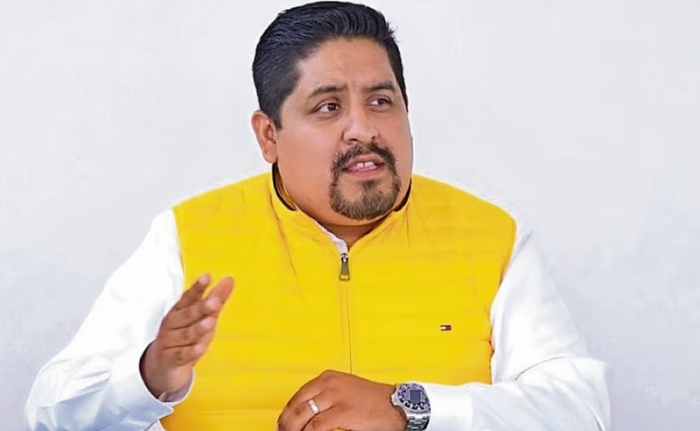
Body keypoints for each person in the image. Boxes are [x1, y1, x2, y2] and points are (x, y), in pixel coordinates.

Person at [23, 1, 610, 430]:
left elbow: (580, 410)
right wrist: (148, 377)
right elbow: (48, 411)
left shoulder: (491, 237)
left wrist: (413, 408)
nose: (363, 129)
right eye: (328, 107)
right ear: (269, 135)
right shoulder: (187, 237)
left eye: (381, 101)